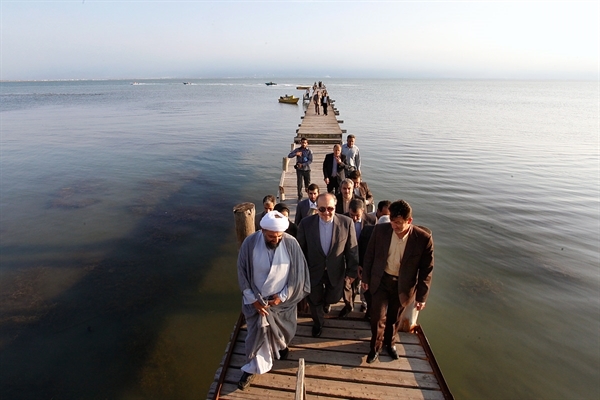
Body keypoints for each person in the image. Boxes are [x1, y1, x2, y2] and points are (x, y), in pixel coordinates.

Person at [237, 211, 311, 390]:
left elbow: (298, 276)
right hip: (256, 302)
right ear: (262, 230)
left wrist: (283, 296)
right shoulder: (250, 243)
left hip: (281, 303)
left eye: (279, 236)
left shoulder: (291, 243)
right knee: (255, 335)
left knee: (283, 330)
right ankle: (251, 368)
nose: (276, 239)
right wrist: (254, 300)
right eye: (271, 236)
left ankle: (281, 346)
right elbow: (242, 272)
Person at [361, 200, 434, 364]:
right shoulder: (380, 230)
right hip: (380, 280)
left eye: (399, 223)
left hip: (403, 285)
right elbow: (369, 255)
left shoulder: (423, 239)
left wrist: (422, 297)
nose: (394, 226)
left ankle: (390, 344)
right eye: (392, 221)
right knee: (377, 317)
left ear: (409, 221)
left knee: (394, 318)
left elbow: (426, 270)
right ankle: (375, 347)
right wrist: (365, 278)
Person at [296, 193, 359, 338]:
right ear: (316, 208)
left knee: (333, 298)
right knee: (314, 300)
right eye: (322, 209)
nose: (326, 213)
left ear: (335, 207)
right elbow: (300, 249)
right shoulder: (306, 224)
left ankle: (327, 303)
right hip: (313, 271)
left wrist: (352, 272)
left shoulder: (346, 223)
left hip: (336, 271)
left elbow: (352, 249)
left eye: (330, 208)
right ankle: (318, 323)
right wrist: (300, 272)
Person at [338, 199, 376, 318]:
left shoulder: (372, 220)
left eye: (357, 215)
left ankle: (365, 304)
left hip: (365, 259)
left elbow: (372, 244)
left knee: (366, 285)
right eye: (351, 215)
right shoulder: (342, 219)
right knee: (349, 285)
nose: (354, 218)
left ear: (363, 211)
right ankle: (349, 305)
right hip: (348, 259)